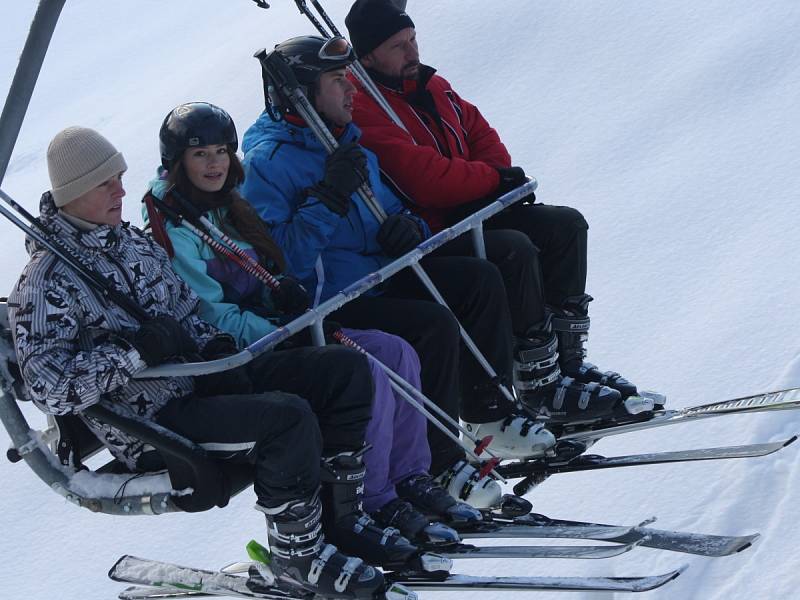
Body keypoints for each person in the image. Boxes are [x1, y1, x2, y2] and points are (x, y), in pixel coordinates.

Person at [6, 126, 406, 599]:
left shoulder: (130, 244)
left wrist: (213, 345)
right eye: (105, 183)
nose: (121, 191)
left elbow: (185, 312)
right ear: (73, 194)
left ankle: (340, 521)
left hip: (200, 381)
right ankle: (297, 555)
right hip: (153, 422)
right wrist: (135, 354)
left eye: (120, 177)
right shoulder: (43, 284)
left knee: (341, 371)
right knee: (286, 419)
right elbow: (49, 387)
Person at [240, 36, 557, 505]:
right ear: (301, 94)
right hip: (335, 301)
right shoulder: (268, 165)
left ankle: (486, 410)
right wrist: (328, 198)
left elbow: (388, 207)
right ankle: (440, 459)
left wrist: (404, 226)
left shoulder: (345, 139)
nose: (351, 90)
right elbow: (283, 261)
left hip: (379, 275)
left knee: (478, 277)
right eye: (336, 80)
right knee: (430, 326)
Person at [144, 101, 479, 537]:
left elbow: (264, 273)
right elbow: (212, 314)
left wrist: (281, 293)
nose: (214, 163)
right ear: (177, 162)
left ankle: (410, 475)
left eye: (222, 151)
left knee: (396, 352)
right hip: (248, 352)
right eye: (200, 154)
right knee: (366, 371)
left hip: (279, 331)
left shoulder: (227, 207)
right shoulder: (175, 227)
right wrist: (279, 327)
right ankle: (374, 497)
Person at [345, 0, 655, 423]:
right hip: (434, 231)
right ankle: (537, 380)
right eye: (398, 46)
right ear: (367, 57)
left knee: (564, 225)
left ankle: (566, 364)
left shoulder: (432, 86)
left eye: (413, 38)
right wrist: (490, 181)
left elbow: (483, 137)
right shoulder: (364, 108)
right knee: (513, 249)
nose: (412, 52)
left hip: (473, 208)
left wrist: (488, 179)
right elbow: (423, 179)